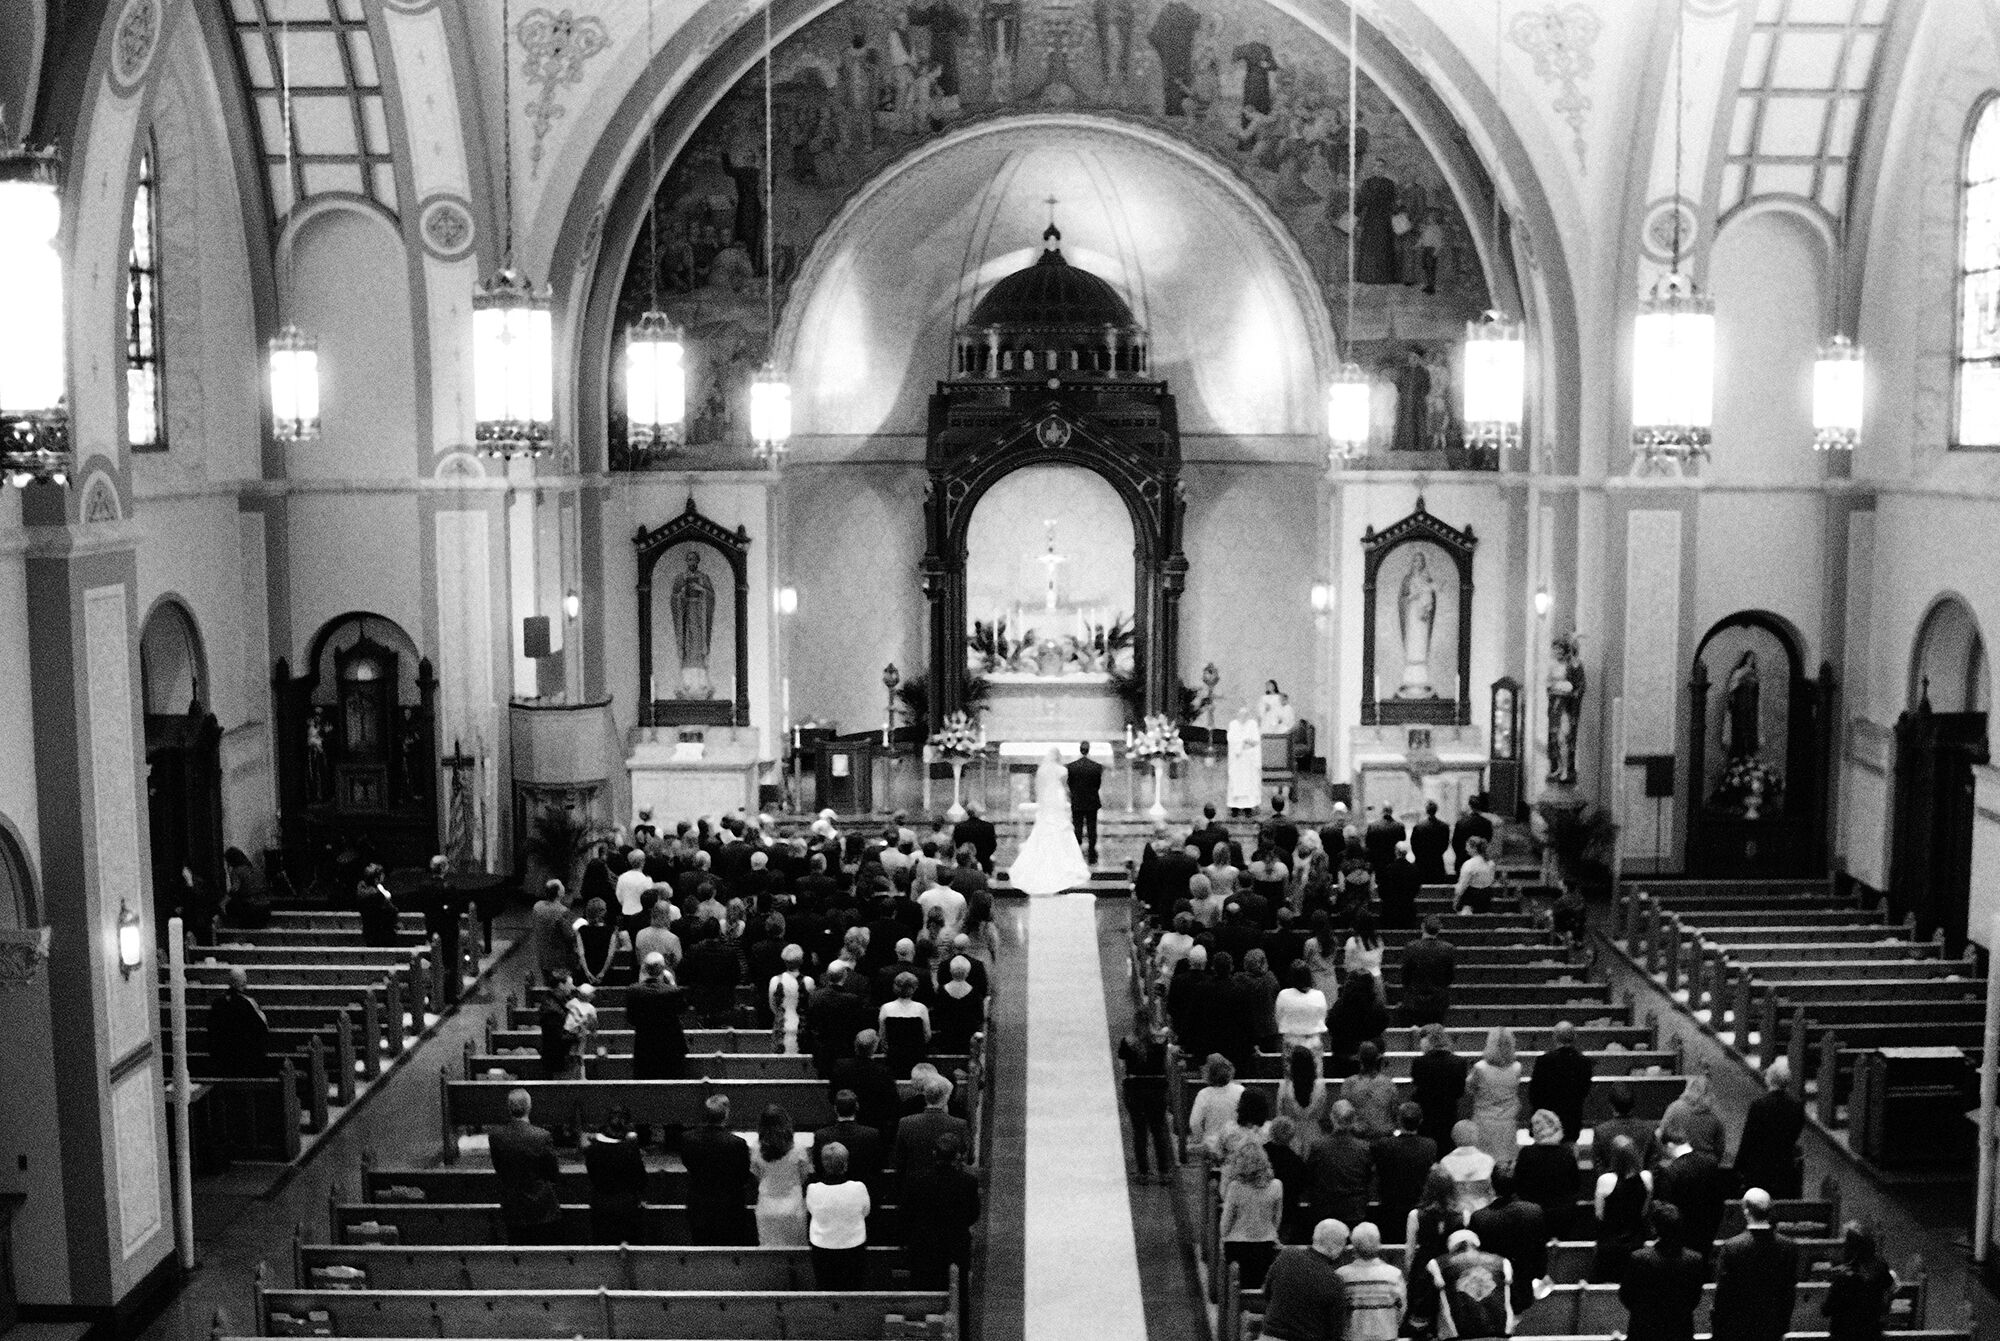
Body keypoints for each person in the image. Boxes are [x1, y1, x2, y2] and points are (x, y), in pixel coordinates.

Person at [1711, 1187, 1801, 1341]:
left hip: (1738, 1328)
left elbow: (1723, 1294)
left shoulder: (1732, 1247)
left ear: (1746, 1212)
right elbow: (1788, 1293)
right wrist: (1782, 1326)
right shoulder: (1788, 1247)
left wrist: (1719, 1326)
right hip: (1772, 1327)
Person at [902, 1130, 980, 1293]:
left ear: (934, 1153)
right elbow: (973, 1215)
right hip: (955, 1247)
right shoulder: (968, 1182)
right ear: (958, 1156)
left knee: (923, 1292)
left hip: (924, 1247)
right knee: (957, 1292)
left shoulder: (916, 1180)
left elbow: (906, 1214)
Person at [1007, 746, 1093, 894]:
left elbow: (1039, 788)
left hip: (1046, 800)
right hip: (1057, 799)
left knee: (1045, 828)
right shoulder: (1062, 770)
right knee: (1059, 827)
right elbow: (1067, 787)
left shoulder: (1041, 770)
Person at [1618, 1204, 1709, 1341]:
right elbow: (1694, 1298)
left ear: (1655, 1228)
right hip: (1679, 1329)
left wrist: (1644, 1312)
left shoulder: (1639, 1258)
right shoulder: (1694, 1260)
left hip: (1644, 1329)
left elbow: (1625, 1295)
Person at [1470, 1167, 1548, 1315]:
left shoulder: (1479, 1218)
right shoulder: (1534, 1211)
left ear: (1492, 1186)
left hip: (1492, 1290)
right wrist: (1539, 1274)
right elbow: (1540, 1251)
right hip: (1524, 1287)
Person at [490, 1089, 563, 1245]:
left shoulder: (496, 1137)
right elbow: (553, 1173)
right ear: (529, 1107)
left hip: (513, 1207)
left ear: (509, 1109)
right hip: (541, 1207)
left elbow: (499, 1167)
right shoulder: (542, 1136)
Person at [1259, 1219, 1351, 1341]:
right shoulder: (1334, 1281)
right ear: (1337, 1248)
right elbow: (1334, 1331)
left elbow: (1266, 1293)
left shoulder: (1287, 1256)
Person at [683, 1094, 755, 1244]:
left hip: (699, 1206)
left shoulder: (687, 1139)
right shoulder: (737, 1144)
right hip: (729, 1208)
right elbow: (743, 1176)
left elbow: (687, 1163)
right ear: (726, 1114)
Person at [1653, 1123, 1732, 1260]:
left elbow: (1667, 1209)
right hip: (1709, 1231)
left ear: (1670, 1145)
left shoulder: (1672, 1171)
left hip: (1683, 1238)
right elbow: (1720, 1201)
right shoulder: (1711, 1163)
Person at [1733, 1058, 1806, 1199]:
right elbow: (1795, 1134)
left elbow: (1748, 1139)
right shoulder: (1797, 1106)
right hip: (1784, 1166)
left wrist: (1739, 1166)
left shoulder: (1759, 1106)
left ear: (1770, 1079)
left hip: (1760, 1168)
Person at [804, 1142, 871, 1289]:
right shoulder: (858, 1188)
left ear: (823, 1164)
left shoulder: (813, 1189)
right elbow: (865, 1212)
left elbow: (812, 1211)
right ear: (845, 1164)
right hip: (853, 1247)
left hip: (822, 1249)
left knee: (826, 1288)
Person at [1428, 1227, 1516, 1340]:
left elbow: (1427, 1301)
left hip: (1459, 1333)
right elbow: (1514, 1296)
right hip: (1499, 1331)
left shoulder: (1437, 1264)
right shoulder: (1502, 1262)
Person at [1220, 1140, 1285, 1289]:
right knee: (1259, 1289)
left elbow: (1225, 1224)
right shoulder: (1276, 1185)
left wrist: (1223, 1239)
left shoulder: (1235, 1187)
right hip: (1265, 1245)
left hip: (1237, 1245)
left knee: (1236, 1289)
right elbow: (1277, 1219)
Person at [1406, 1168, 1465, 1333]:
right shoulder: (1463, 1215)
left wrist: (1411, 1279)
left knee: (1423, 1319)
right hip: (1450, 1266)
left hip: (1423, 1268)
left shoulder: (1415, 1215)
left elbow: (1409, 1253)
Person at [1373, 1102, 1439, 1244]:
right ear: (1420, 1121)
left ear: (1398, 1120)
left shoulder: (1384, 1145)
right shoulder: (1430, 1146)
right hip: (1418, 1208)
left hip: (1390, 1208)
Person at [1118, 1023, 1176, 1182]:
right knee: (1159, 1130)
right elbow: (1168, 1064)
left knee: (1139, 1131)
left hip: (1135, 1089)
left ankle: (1143, 1172)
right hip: (1157, 1089)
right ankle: (1164, 1172)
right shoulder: (1160, 1042)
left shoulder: (1126, 1042)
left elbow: (1122, 1067)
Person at [1592, 1134, 1653, 1283]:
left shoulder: (1605, 1180)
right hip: (1636, 1241)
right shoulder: (1646, 1177)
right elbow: (1644, 1210)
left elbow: (1599, 1214)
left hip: (1610, 1243)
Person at [1512, 1109, 1581, 1239]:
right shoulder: (1567, 1154)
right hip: (1562, 1216)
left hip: (1532, 1216)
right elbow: (1575, 1185)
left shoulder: (1526, 1154)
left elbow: (1518, 1185)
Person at [1823, 1221, 1898, 1341]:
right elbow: (1889, 1294)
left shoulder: (1844, 1278)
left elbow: (1826, 1310)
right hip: (1872, 1334)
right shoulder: (1881, 1269)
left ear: (1850, 1248)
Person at [1305, 1100, 1374, 1227]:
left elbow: (1309, 1177)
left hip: (1325, 1211)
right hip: (1355, 1210)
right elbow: (1368, 1178)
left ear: (1332, 1118)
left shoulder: (1318, 1146)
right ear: (1353, 1120)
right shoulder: (1364, 1148)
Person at [749, 1105, 811, 1246]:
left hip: (767, 1206)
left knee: (769, 1252)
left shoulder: (756, 1148)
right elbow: (804, 1176)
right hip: (793, 1206)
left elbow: (757, 1175)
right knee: (795, 1253)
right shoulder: (798, 1148)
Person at [585, 1108, 647, 1244]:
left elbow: (592, 1177)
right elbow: (641, 1179)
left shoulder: (592, 1150)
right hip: (626, 1207)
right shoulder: (630, 1150)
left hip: (600, 1205)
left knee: (602, 1246)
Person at [1526, 1021, 1593, 1143]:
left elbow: (1534, 1093)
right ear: (1575, 1037)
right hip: (1572, 1120)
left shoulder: (1544, 1061)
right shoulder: (1584, 1062)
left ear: (1554, 1037)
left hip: (1546, 1122)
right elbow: (1584, 1091)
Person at [1338, 1221, 1407, 1341]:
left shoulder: (1342, 1276)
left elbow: (1338, 1312)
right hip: (1387, 1335)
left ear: (1353, 1246)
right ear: (1379, 1244)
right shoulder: (1394, 1275)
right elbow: (1401, 1308)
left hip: (1353, 1337)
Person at [894, 1073, 970, 1181]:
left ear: (926, 1097)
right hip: (949, 1186)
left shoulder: (906, 1123)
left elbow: (899, 1160)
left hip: (915, 1186)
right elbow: (968, 1159)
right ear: (946, 1097)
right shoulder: (959, 1125)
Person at [627, 952, 688, 1085]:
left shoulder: (633, 991)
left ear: (644, 968)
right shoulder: (672, 991)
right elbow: (683, 1009)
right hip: (671, 1046)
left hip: (645, 1046)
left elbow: (631, 1019)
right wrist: (672, 983)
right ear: (663, 969)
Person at [1468, 1027, 1523, 1170]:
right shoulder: (1517, 1067)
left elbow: (1470, 1088)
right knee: (1505, 1164)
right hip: (1507, 1121)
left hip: (1484, 1121)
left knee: (1484, 1163)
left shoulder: (1480, 1068)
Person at [1411, 1022, 1469, 1151]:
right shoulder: (1459, 1062)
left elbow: (1417, 1085)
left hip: (1426, 1115)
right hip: (1448, 1114)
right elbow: (1460, 1092)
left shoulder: (1419, 1062)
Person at [205, 967, 273, 1076]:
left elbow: (211, 1029)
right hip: (247, 1061)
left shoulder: (217, 1003)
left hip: (221, 1059)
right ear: (244, 982)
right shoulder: (248, 1003)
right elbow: (263, 1028)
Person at [1263, 1117, 1315, 1244]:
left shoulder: (1261, 1154)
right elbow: (1303, 1186)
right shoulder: (1296, 1161)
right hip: (1287, 1213)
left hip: (1262, 1210)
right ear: (1291, 1136)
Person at [1276, 1045, 1333, 1159]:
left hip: (1290, 1137)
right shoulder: (1321, 1086)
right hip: (1315, 1134)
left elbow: (1279, 1114)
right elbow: (1324, 1113)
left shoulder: (1284, 1086)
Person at [1592, 1082, 1660, 1174]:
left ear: (1611, 1105)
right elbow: (1653, 1166)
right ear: (1633, 1104)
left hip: (1612, 1186)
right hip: (1641, 1186)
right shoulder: (1648, 1130)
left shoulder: (1600, 1132)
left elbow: (1599, 1168)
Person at [1400, 917, 1457, 1027]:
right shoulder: (1448, 949)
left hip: (1415, 1000)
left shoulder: (1411, 947)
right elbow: (1450, 977)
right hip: (1438, 1000)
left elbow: (1405, 976)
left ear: (1422, 927)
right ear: (1439, 929)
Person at [1656, 1073, 1726, 1162]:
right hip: (1706, 1162)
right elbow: (1720, 1146)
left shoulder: (1675, 1107)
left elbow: (1661, 1134)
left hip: (1678, 1160)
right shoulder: (1713, 1113)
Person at [1187, 1053, 1244, 1157]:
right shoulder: (1240, 1090)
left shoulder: (1204, 1094)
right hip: (1237, 1142)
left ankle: (1206, 1173)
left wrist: (1200, 1138)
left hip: (1212, 1144)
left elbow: (1194, 1123)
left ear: (1208, 1073)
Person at [1340, 1041, 1397, 1141]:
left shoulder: (1349, 1083)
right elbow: (1394, 1113)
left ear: (1359, 1060)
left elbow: (1343, 1114)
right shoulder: (1388, 1083)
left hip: (1357, 1138)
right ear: (1377, 1060)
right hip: (1382, 1137)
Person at [877, 971, 931, 1078]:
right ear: (914, 988)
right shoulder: (921, 1008)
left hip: (894, 1056)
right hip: (917, 1055)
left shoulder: (886, 1008)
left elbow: (882, 1036)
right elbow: (927, 1035)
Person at [1440, 1119, 1497, 1218]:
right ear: (1476, 1136)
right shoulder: (1488, 1161)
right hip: (1483, 1213)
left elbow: (1443, 1194)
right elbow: (1493, 1192)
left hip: (1454, 1214)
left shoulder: (1445, 1162)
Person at [531, 879, 582, 985]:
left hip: (543, 956)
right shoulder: (562, 911)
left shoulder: (537, 907)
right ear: (559, 892)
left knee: (548, 985)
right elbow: (570, 935)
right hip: (559, 960)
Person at [1274, 963, 1329, 1058]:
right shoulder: (1319, 995)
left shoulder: (1283, 995)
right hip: (1313, 1042)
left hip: (1291, 1042)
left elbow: (1278, 1018)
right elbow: (1323, 1017)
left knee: (1291, 1072)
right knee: (1315, 1072)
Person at [768, 944, 814, 1055]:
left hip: (781, 1028)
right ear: (801, 961)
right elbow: (811, 1006)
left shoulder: (775, 980)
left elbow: (772, 1006)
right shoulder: (809, 981)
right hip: (801, 1029)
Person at [1065, 740, 1105, 863]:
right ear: (1089, 750)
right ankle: (1092, 854)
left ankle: (1077, 853)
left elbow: (1070, 784)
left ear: (1080, 750)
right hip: (1092, 801)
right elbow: (1098, 784)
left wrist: (1076, 794)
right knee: (1092, 829)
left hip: (1077, 801)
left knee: (1077, 828)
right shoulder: (1097, 767)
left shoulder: (1071, 766)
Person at [576, 897, 625, 986]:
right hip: (606, 974)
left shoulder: (581, 930)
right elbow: (610, 954)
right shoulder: (612, 930)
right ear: (603, 912)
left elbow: (581, 954)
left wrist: (587, 972)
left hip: (586, 973)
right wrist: (602, 972)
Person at [1341, 908, 1385, 1002]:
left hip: (1358, 983)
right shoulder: (1378, 941)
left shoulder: (1352, 942)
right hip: (1376, 980)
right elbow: (1379, 961)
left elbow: (1347, 966)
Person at [356, 864, 400, 946]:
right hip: (382, 934)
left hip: (367, 933)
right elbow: (393, 911)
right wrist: (385, 894)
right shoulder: (376, 895)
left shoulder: (361, 888)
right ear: (376, 879)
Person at [1409, 800, 1451, 884]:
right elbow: (1445, 845)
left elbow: (1414, 845)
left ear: (1426, 811)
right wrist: (1437, 853)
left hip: (1422, 864)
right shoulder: (1444, 827)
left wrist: (1420, 856)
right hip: (1437, 862)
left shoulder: (1418, 827)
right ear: (1436, 810)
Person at [1452, 837, 1499, 914]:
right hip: (1486, 897)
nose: (1466, 849)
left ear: (1474, 848)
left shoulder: (1469, 864)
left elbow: (1462, 885)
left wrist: (1456, 899)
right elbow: (1491, 881)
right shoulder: (1491, 863)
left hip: (1470, 899)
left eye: (1468, 847)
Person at [951, 803, 998, 874]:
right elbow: (993, 845)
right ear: (977, 812)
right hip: (984, 863)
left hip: (964, 866)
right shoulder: (988, 827)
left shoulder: (959, 827)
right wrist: (984, 856)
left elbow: (957, 846)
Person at [1364, 806, 1406, 873]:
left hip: (1378, 860)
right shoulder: (1399, 826)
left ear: (1382, 812)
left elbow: (1368, 844)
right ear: (1391, 812)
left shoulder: (1373, 826)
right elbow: (1402, 840)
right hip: (1392, 859)